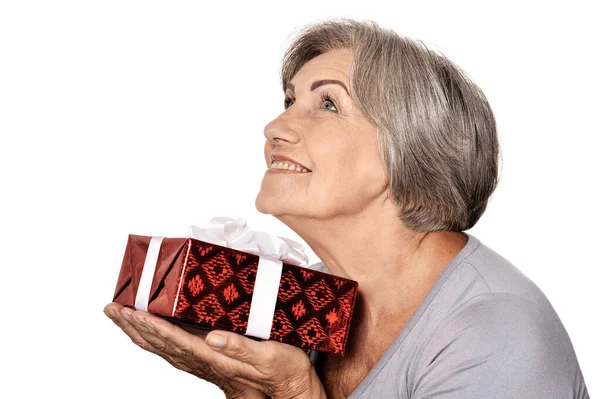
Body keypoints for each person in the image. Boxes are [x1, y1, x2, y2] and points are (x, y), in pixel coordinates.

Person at [104, 18, 589, 398]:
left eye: (329, 104)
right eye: (290, 100)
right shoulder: (305, 303)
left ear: (410, 149)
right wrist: (245, 386)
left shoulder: (494, 330)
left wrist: (294, 390)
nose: (275, 125)